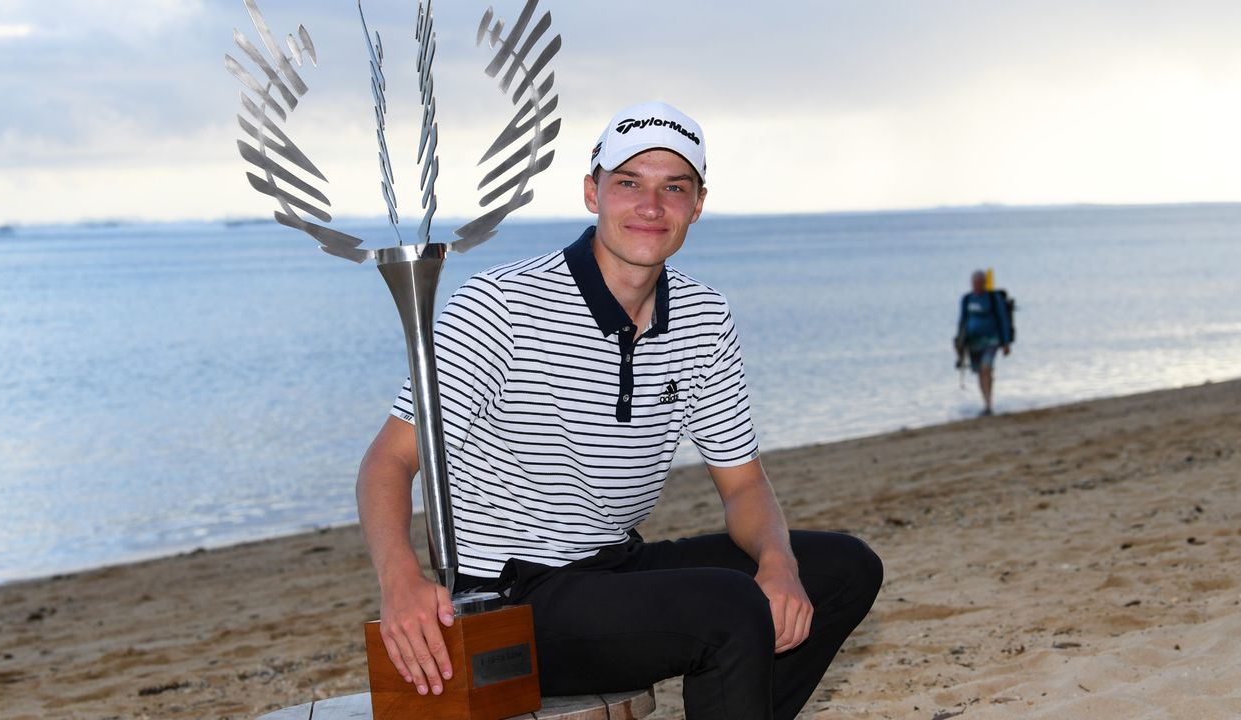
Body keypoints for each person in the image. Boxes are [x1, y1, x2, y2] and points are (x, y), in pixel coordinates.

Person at [356, 100, 882, 720]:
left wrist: (779, 564)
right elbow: (388, 463)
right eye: (628, 183)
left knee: (842, 568)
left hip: (615, 567)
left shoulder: (703, 316)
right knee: (731, 605)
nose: (650, 206)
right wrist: (402, 583)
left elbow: (743, 484)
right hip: (514, 599)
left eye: (673, 188)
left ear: (697, 204)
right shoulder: (500, 305)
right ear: (592, 192)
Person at [955, 270, 1013, 416]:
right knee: (980, 372)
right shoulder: (967, 299)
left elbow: (1003, 319)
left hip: (992, 340)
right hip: (973, 342)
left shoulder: (993, 298)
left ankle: (988, 404)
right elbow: (962, 321)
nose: (977, 286)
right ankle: (986, 404)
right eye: (974, 283)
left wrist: (1006, 343)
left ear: (984, 283)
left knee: (986, 368)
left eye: (979, 283)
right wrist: (959, 343)